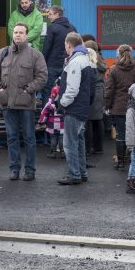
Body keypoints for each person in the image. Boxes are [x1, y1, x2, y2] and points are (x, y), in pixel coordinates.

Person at [0, 22, 47, 181]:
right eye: (15, 32)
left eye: (21, 32)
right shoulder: (2, 53)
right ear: (12, 34)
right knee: (11, 137)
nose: (18, 35)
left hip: (26, 104)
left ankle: (30, 170)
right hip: (7, 103)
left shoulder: (36, 55)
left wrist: (28, 91)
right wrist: (0, 90)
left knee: (29, 137)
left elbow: (42, 77)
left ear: (27, 35)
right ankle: (14, 169)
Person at [56, 32, 95, 185]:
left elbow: (72, 89)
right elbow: (91, 88)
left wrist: (62, 103)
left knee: (69, 143)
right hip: (83, 107)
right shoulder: (87, 60)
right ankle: (82, 172)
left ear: (68, 44)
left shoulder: (75, 62)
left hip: (74, 108)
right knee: (79, 141)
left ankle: (74, 174)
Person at [105, 44, 135, 171]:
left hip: (119, 108)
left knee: (121, 135)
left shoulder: (114, 70)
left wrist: (107, 105)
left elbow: (109, 90)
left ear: (118, 55)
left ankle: (121, 162)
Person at [41, 6, 76, 97]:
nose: (48, 17)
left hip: (52, 65)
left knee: (48, 90)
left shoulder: (52, 28)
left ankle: (47, 111)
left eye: (50, 14)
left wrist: (42, 63)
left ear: (57, 14)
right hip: (68, 64)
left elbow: (46, 48)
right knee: (64, 90)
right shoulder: (73, 28)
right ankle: (61, 110)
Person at [84, 44, 106, 157]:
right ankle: (99, 147)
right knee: (98, 120)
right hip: (101, 91)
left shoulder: (89, 63)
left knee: (89, 121)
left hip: (92, 91)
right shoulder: (101, 60)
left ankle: (88, 148)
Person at [39, 84, 64, 158]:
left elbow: (44, 113)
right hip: (62, 123)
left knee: (53, 138)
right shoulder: (64, 103)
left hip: (52, 124)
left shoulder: (49, 104)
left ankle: (53, 152)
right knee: (62, 138)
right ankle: (63, 152)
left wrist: (41, 121)